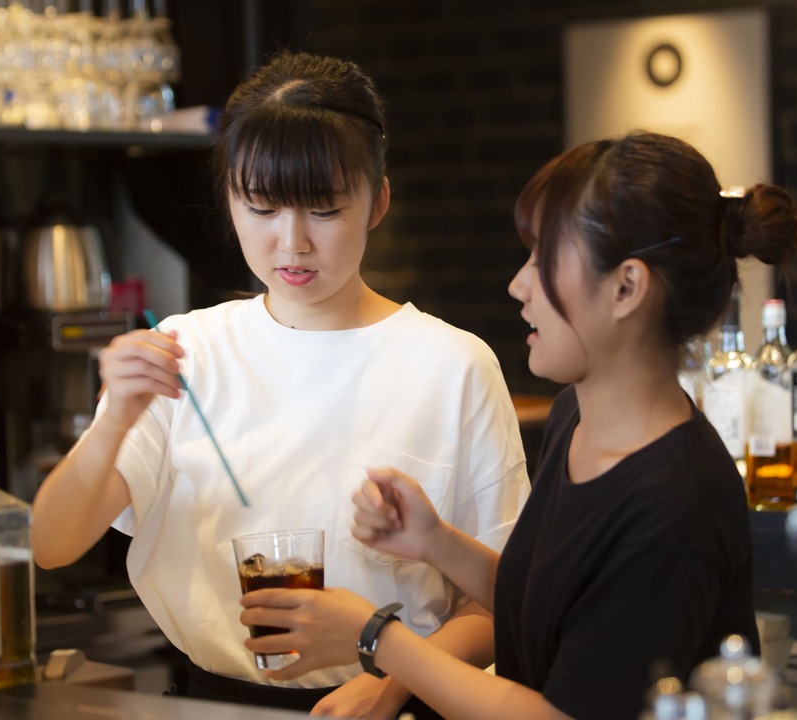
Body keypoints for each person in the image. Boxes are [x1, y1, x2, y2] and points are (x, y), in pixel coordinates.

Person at [238, 131, 797, 719]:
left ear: (627, 287)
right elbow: (552, 607)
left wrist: (378, 639)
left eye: (543, 258)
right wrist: (435, 541)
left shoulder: (675, 500)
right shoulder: (576, 417)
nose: (518, 285)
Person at [30, 51, 529, 718]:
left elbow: (509, 600)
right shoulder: (188, 352)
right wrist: (117, 416)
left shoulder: (453, 366)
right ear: (230, 198)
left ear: (377, 202)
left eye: (323, 211)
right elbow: (50, 545)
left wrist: (392, 678)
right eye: (260, 207)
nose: (290, 244)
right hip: (207, 703)